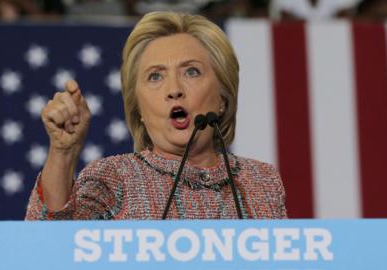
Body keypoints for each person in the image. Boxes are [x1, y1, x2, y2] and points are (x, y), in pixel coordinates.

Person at [25, 11, 287, 220]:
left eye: (191, 72)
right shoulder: (114, 178)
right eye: (155, 76)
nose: (174, 90)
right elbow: (45, 249)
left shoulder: (260, 181)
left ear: (222, 96)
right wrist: (63, 153)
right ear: (138, 108)